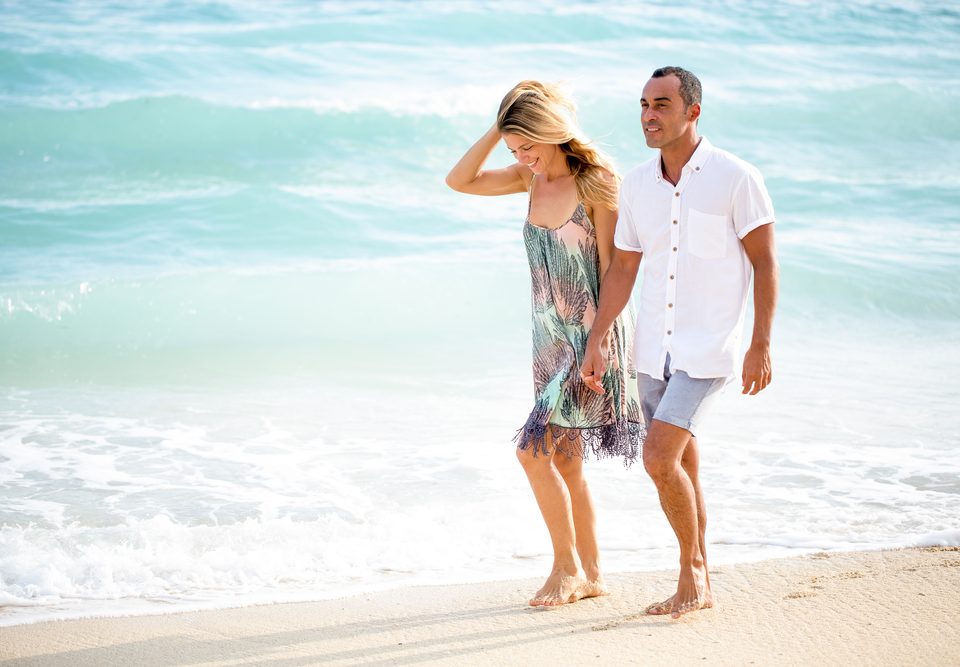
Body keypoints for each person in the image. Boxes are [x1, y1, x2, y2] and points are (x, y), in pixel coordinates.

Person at [580, 66, 779, 619]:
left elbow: (765, 263)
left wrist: (760, 343)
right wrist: (598, 339)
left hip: (708, 348)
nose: (649, 114)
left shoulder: (736, 177)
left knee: (657, 457)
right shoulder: (637, 183)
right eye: (643, 104)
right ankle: (701, 574)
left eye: (662, 104)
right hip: (652, 350)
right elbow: (624, 265)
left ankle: (692, 575)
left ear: (693, 111)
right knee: (683, 466)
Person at [446, 81, 645, 607]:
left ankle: (566, 568)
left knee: (532, 453)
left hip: (591, 337)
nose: (523, 158)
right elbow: (458, 180)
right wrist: (499, 124)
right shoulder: (525, 180)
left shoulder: (598, 182)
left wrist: (598, 342)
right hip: (549, 343)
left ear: (551, 131)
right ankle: (593, 574)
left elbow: (617, 269)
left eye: (527, 144)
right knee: (565, 461)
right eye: (514, 149)